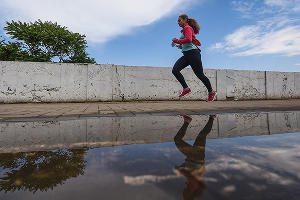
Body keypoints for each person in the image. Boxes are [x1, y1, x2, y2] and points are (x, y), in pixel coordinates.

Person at [172, 14, 217, 102]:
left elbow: (188, 39)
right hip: (187, 55)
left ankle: (211, 92)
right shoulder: (184, 30)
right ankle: (186, 89)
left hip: (193, 54)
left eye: (179, 20)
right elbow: (188, 42)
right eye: (177, 21)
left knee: (200, 75)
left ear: (185, 20)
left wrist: (176, 40)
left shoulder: (188, 28)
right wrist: (180, 46)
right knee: (175, 70)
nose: (178, 22)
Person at [173, 114, 215, 200]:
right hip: (195, 158)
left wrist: (183, 166)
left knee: (202, 135)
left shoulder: (191, 186)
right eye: (185, 194)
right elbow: (192, 175)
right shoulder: (194, 187)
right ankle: (187, 121)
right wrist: (181, 172)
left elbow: (192, 171)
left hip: (196, 159)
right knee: (177, 140)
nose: (184, 191)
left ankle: (212, 117)